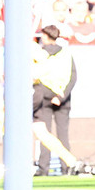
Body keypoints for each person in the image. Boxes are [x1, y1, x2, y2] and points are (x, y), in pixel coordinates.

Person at [32, 25, 78, 176]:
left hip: (44, 95)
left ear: (45, 36)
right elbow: (73, 77)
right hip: (62, 97)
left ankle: (43, 168)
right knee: (62, 133)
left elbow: (35, 73)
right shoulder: (66, 53)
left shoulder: (41, 54)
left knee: (44, 133)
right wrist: (62, 96)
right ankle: (67, 167)